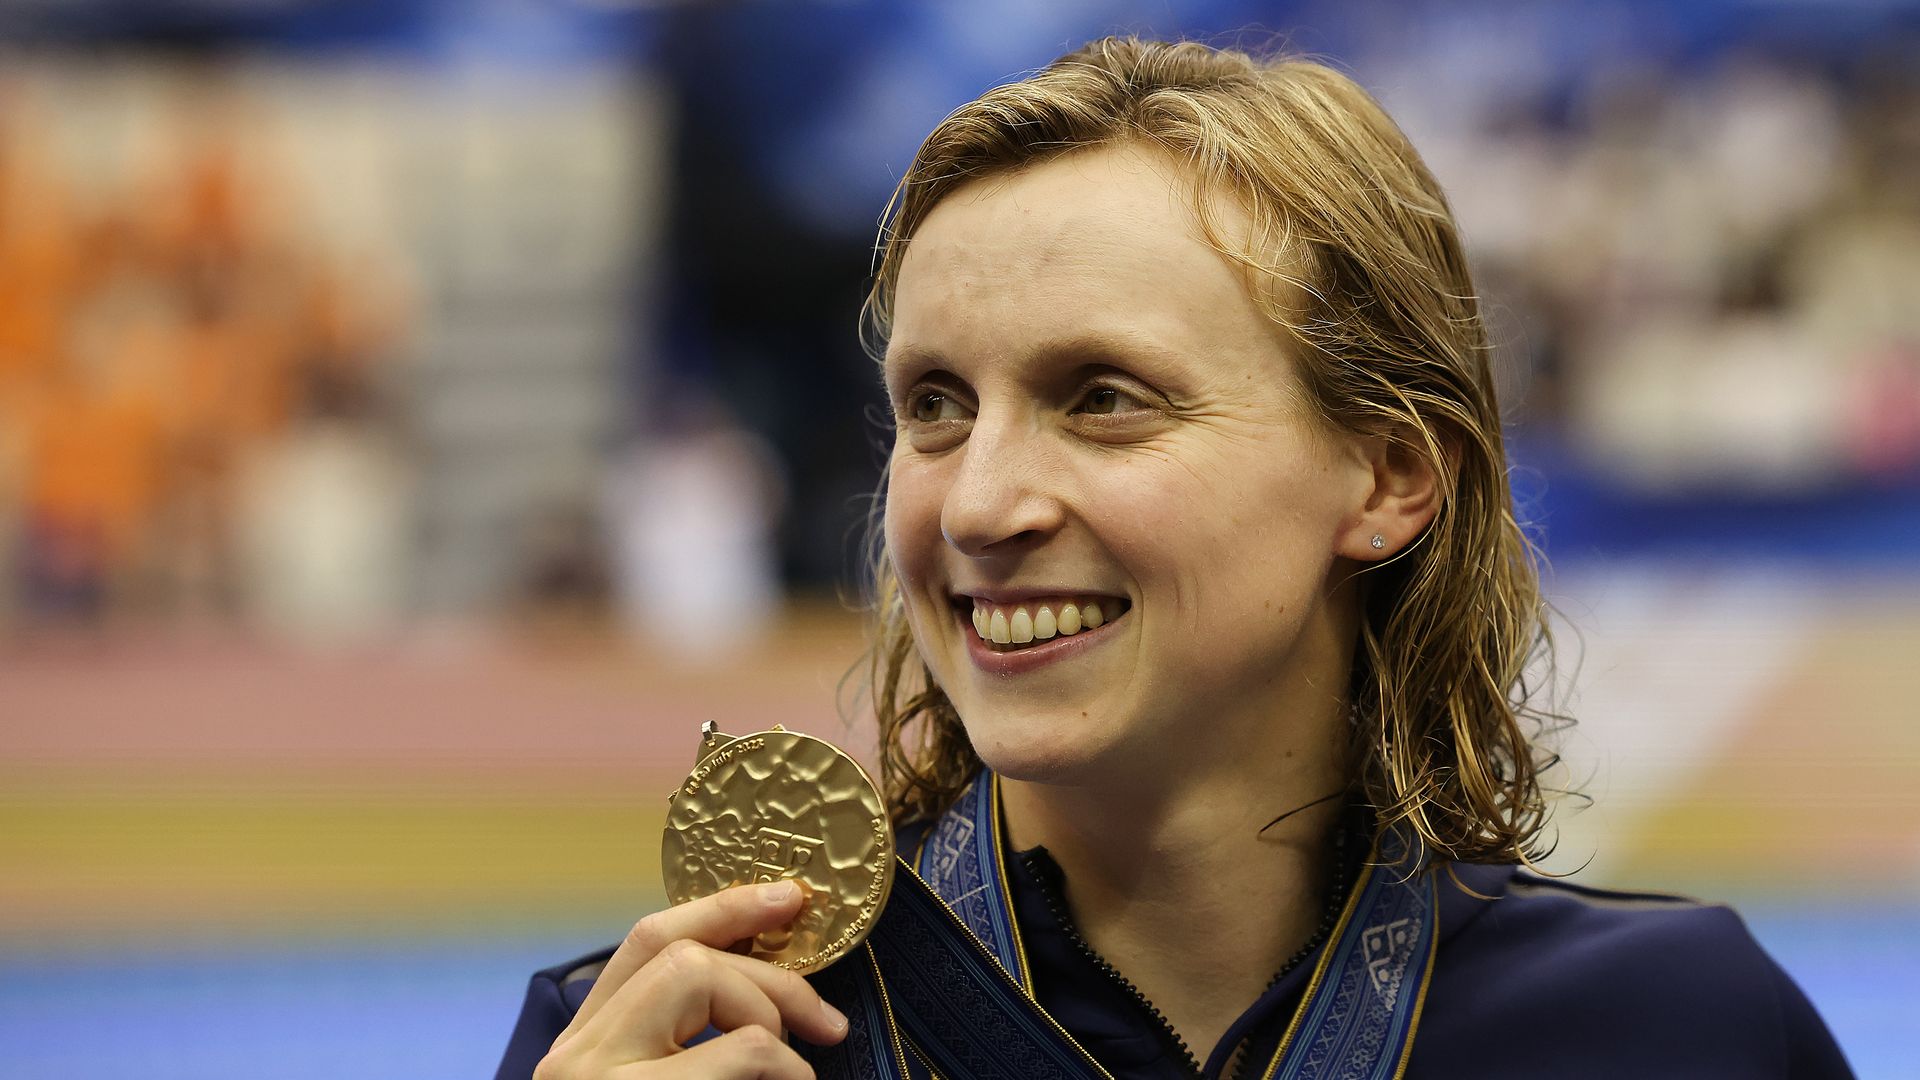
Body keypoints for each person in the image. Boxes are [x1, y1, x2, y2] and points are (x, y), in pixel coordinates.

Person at [498, 38, 1853, 1080]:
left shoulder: (1677, 1031)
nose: (977, 504)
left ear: (1386, 477)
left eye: (1103, 397)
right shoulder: (688, 1038)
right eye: (936, 407)